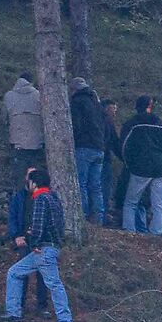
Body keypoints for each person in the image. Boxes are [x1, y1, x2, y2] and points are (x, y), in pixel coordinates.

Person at [4, 166, 73, 322]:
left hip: (42, 249)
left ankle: (65, 321)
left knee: (54, 284)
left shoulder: (40, 199)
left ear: (34, 183)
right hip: (51, 247)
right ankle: (13, 313)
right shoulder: (53, 198)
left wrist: (33, 241)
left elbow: (38, 226)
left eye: (29, 181)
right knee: (14, 272)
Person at [118, 96, 162, 236]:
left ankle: (129, 231)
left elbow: (125, 147)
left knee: (131, 201)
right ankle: (156, 233)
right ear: (149, 107)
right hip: (160, 168)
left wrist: (129, 164)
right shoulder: (161, 125)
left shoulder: (132, 124)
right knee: (158, 204)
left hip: (139, 168)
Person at [3, 74, 44, 235]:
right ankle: (35, 221)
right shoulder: (39, 96)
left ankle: (17, 224)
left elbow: (4, 119)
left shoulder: (9, 96)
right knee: (38, 185)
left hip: (18, 146)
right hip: (37, 147)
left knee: (19, 185)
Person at [69, 79, 114, 226]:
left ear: (74, 89)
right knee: (96, 185)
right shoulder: (97, 104)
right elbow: (107, 128)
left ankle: (83, 216)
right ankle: (99, 218)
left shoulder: (77, 102)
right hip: (99, 149)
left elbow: (76, 126)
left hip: (84, 147)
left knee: (81, 183)